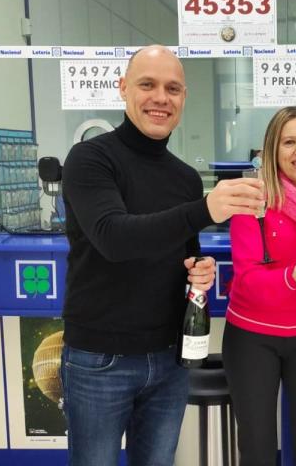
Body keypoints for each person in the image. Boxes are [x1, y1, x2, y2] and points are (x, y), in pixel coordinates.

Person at [60, 45, 264, 466]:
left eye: (172, 88)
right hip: (101, 359)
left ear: (183, 98)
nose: (160, 98)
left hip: (169, 358)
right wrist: (205, 209)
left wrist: (198, 271)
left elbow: (180, 251)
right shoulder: (90, 159)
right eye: (147, 85)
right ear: (123, 89)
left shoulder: (185, 178)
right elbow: (113, 238)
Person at [224, 106, 296, 466]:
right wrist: (293, 276)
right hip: (252, 338)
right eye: (289, 142)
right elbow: (246, 280)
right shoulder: (252, 200)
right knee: (257, 448)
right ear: (273, 150)